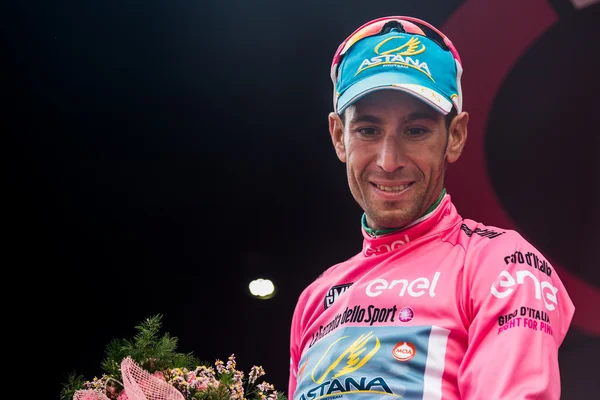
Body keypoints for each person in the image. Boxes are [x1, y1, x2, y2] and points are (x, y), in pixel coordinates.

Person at [288, 16, 575, 400]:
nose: (389, 161)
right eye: (368, 130)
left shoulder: (505, 264)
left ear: (454, 136)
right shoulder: (313, 299)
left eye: (415, 130)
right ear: (340, 137)